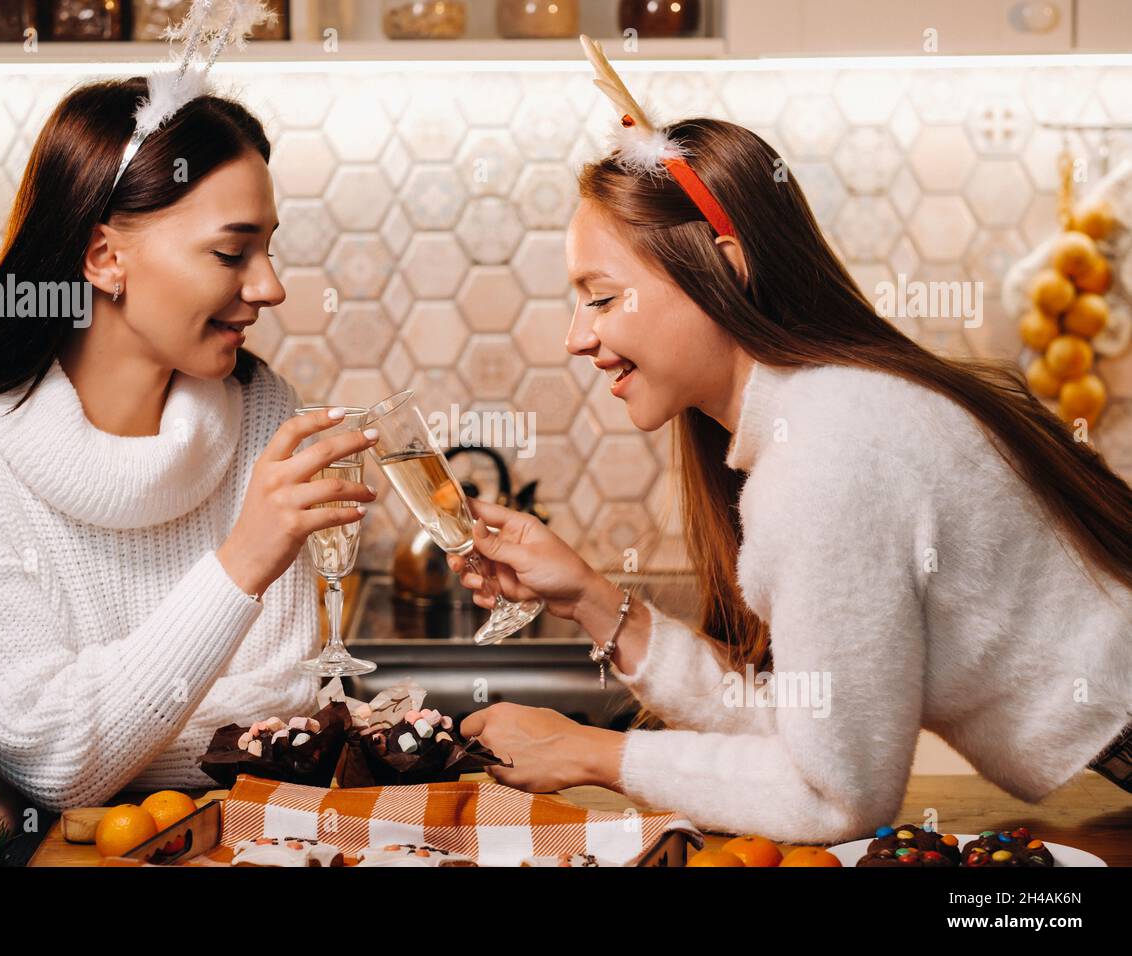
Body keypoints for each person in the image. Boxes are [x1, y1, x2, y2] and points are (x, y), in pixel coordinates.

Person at [450, 116, 1132, 844]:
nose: (576, 338)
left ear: (726, 265)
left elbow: (835, 800)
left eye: (604, 297)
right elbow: (811, 732)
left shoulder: (826, 455)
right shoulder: (827, 411)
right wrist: (592, 599)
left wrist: (594, 753)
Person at [0, 77, 377, 818]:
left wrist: (67, 753)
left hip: (113, 833)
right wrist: (244, 558)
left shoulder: (260, 411)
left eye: (268, 248)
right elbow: (62, 757)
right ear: (102, 259)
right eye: (230, 252)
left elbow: (282, 706)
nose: (271, 286)